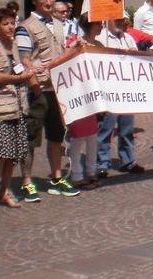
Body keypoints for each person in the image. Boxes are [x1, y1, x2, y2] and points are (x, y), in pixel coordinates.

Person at [15, 0, 80, 200]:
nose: (48, 2)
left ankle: (56, 176)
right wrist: (34, 87)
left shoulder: (59, 24)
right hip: (37, 89)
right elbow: (24, 60)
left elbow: (61, 53)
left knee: (56, 135)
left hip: (58, 88)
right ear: (34, 0)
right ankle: (26, 182)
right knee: (31, 137)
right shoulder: (25, 27)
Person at [0, 8, 34, 213]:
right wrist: (20, 78)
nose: (10, 27)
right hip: (0, 106)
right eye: (5, 24)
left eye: (12, 23)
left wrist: (28, 72)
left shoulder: (14, 45)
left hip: (18, 105)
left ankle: (5, 191)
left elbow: (18, 68)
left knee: (13, 154)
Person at [96, 18, 145, 176]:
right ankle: (102, 163)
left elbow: (137, 60)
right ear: (108, 20)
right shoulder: (101, 38)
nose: (120, 24)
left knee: (127, 127)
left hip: (126, 90)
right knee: (106, 127)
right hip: (108, 91)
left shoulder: (128, 38)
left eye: (122, 21)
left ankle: (128, 161)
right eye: (117, 20)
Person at [67, 13, 102, 190]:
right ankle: (77, 174)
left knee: (93, 137)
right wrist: (75, 48)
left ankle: (91, 171)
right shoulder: (76, 42)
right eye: (98, 24)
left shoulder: (99, 45)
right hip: (79, 95)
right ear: (89, 25)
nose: (101, 27)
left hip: (94, 96)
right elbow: (66, 61)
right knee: (78, 137)